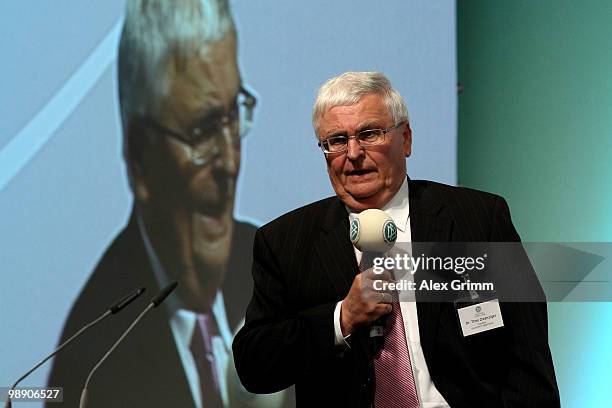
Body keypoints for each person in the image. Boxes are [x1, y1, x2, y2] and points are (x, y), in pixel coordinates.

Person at [233, 71, 560, 407]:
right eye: (337, 141)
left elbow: (527, 355)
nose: (354, 153)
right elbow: (254, 365)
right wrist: (341, 318)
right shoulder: (286, 242)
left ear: (405, 139)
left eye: (369, 134)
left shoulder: (476, 219)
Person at [47, 1, 288, 407]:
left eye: (231, 118)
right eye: (201, 131)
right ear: (140, 159)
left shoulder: (271, 270)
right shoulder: (92, 358)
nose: (229, 161)